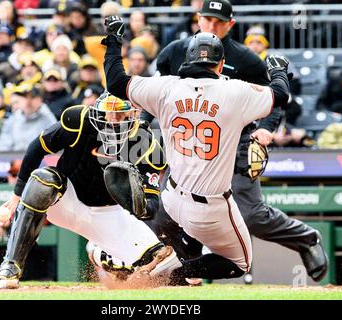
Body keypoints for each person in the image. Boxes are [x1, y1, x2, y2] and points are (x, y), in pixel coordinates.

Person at [102, 12, 291, 282]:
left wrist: (113, 40)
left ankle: (152, 262)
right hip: (210, 206)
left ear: (187, 59)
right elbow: (280, 95)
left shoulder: (165, 87)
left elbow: (116, 82)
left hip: (172, 197)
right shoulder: (235, 91)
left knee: (179, 232)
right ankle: (168, 275)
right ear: (221, 63)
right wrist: (278, 71)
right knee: (240, 263)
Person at [154, 0, 328, 282]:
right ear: (198, 19)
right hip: (189, 144)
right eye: (208, 19)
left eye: (219, 22)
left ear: (230, 25)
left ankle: (306, 238)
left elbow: (275, 98)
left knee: (250, 214)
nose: (212, 26)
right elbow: (159, 92)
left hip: (236, 143)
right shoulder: (175, 52)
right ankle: (186, 272)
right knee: (166, 213)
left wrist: (267, 128)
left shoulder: (246, 59)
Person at [0, 93, 178, 289]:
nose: (114, 120)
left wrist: (140, 206)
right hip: (66, 199)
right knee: (43, 178)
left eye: (121, 115)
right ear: (97, 113)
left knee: (163, 264)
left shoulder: (148, 145)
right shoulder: (79, 121)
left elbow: (152, 203)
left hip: (109, 213)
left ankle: (104, 256)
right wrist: (16, 196)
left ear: (133, 115)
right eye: (109, 114)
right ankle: (11, 266)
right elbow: (36, 148)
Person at [0, 84, 56, 151]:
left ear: (40, 100)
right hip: (15, 158)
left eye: (32, 97)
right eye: (25, 97)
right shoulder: (14, 118)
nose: (28, 102)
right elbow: (3, 145)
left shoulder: (48, 118)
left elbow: (54, 145)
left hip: (40, 159)